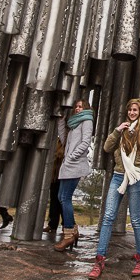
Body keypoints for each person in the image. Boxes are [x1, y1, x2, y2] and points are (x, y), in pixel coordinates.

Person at [88, 98, 140, 279]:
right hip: (119, 175)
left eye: (135, 110)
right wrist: (117, 130)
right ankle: (99, 260)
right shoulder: (124, 129)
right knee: (108, 216)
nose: (132, 113)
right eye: (130, 110)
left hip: (136, 176)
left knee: (135, 220)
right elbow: (106, 147)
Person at [54, 99, 94, 251]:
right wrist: (61, 120)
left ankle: (69, 234)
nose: (78, 109)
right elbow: (65, 141)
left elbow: (85, 142)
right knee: (60, 197)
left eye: (80, 106)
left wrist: (72, 157)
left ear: (86, 108)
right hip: (67, 166)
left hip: (75, 165)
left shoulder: (87, 121)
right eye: (76, 106)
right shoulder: (74, 123)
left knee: (65, 198)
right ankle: (73, 231)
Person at [42, 137, 65, 235]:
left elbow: (60, 154)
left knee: (62, 200)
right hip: (54, 175)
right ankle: (52, 224)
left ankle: (67, 224)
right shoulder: (55, 141)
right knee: (54, 200)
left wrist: (54, 155)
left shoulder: (65, 142)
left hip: (63, 175)